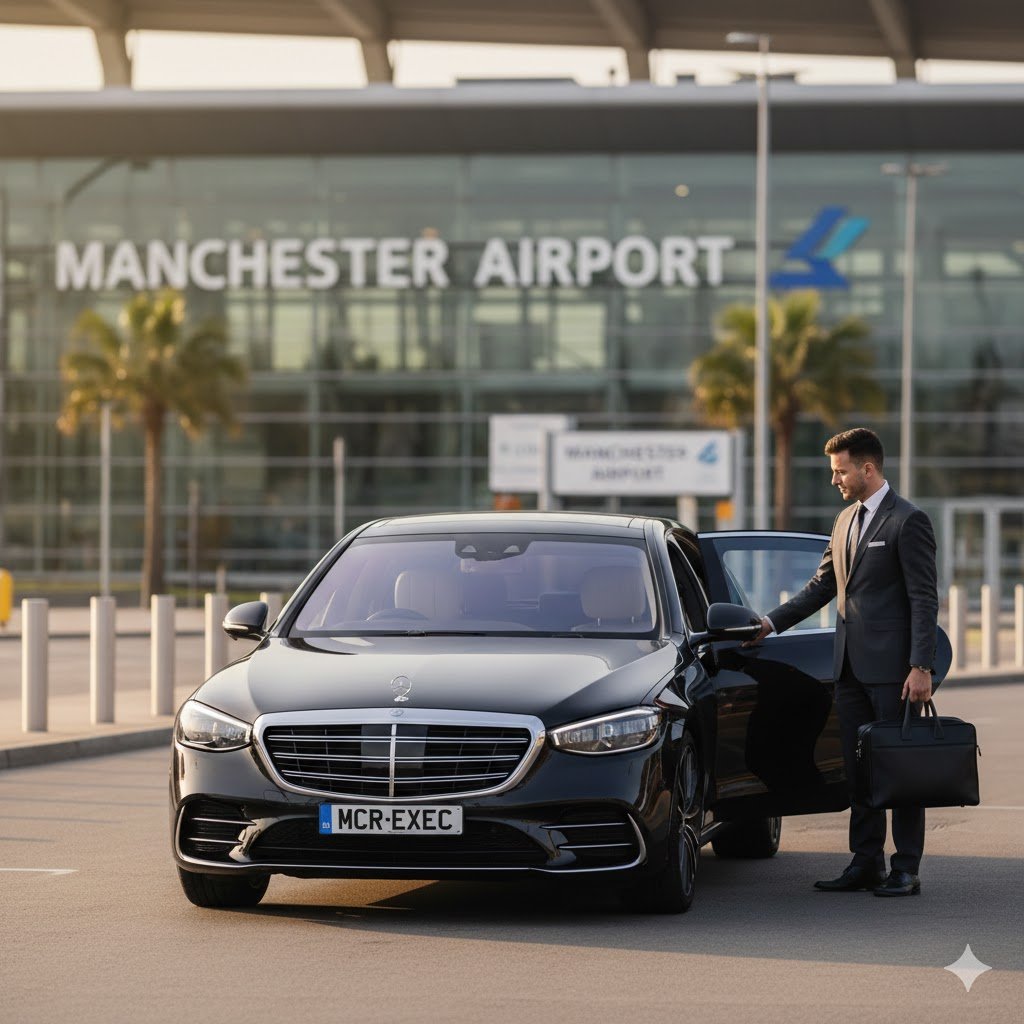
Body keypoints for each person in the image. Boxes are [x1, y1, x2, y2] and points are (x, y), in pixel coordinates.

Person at [748, 427, 938, 897]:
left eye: (840, 470)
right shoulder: (843, 521)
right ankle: (866, 861)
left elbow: (923, 599)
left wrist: (921, 666)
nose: (835, 479)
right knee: (859, 770)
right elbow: (820, 588)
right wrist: (770, 624)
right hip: (848, 670)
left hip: (895, 672)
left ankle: (906, 868)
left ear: (867, 468)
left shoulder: (907, 521)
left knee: (902, 771)